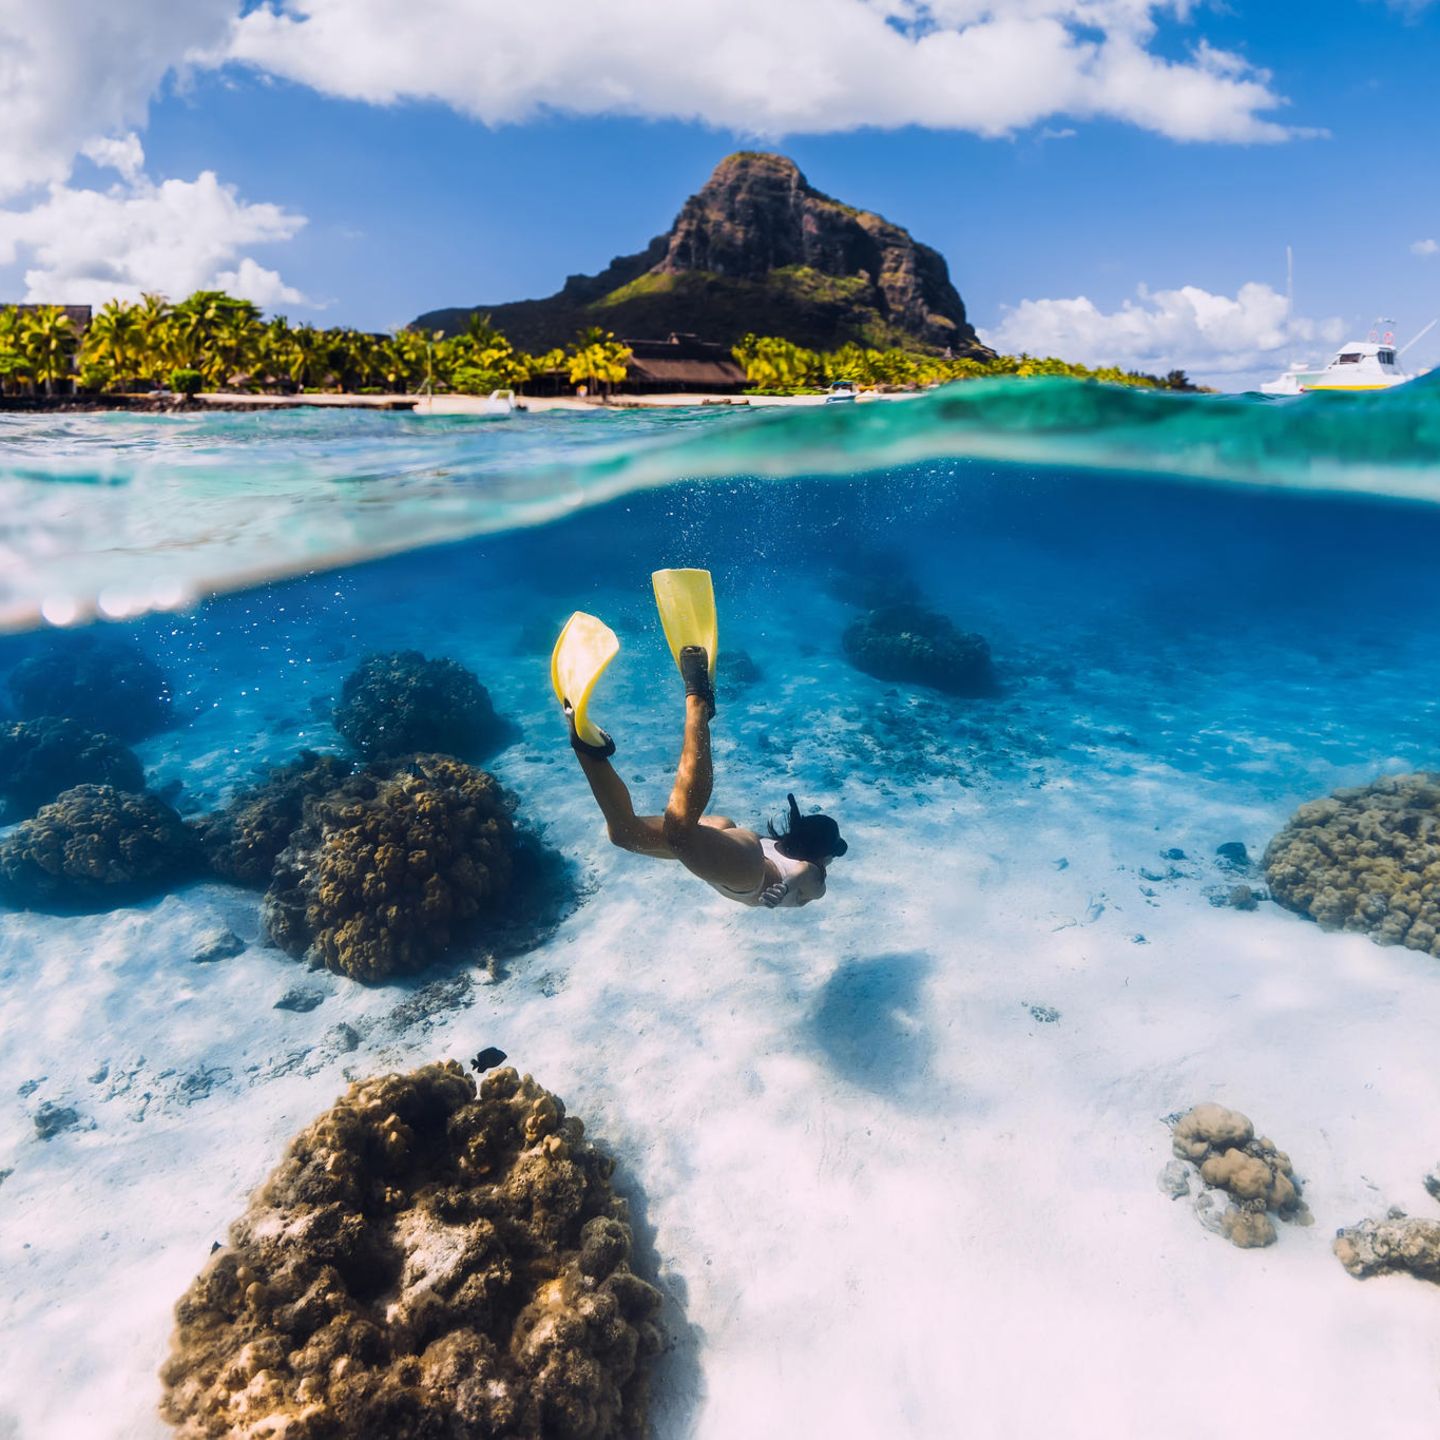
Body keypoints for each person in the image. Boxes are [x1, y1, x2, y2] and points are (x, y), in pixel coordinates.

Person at [566, 644, 846, 908]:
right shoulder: (815, 877)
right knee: (679, 829)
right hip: (750, 871)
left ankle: (587, 750)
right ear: (824, 852)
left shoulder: (779, 844)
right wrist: (784, 888)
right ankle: (698, 703)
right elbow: (805, 872)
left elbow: (801, 868)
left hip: (732, 840)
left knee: (626, 834)